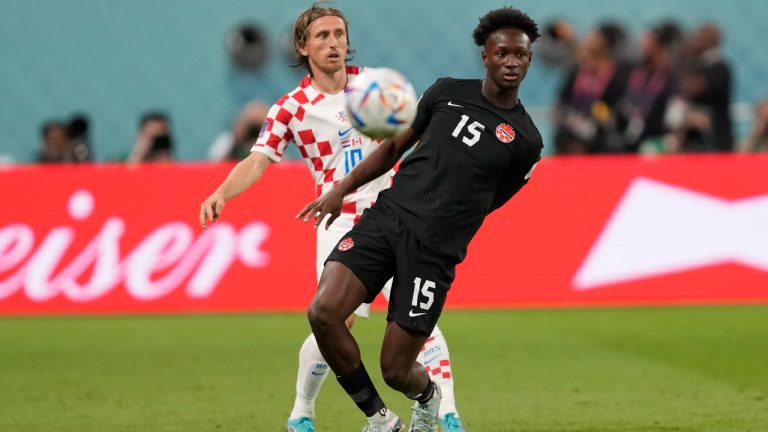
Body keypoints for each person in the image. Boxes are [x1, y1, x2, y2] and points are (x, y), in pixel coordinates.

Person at [197, 3, 465, 432]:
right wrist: (221, 192)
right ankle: (302, 412)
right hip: (339, 222)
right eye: (322, 36)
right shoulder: (292, 107)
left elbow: (418, 134)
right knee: (333, 320)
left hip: (397, 215)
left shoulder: (376, 84)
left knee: (417, 316)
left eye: (339, 34)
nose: (334, 43)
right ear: (303, 46)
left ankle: (448, 413)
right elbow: (258, 160)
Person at [297, 6, 542, 432]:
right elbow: (393, 148)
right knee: (323, 313)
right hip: (386, 219)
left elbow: (492, 201)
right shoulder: (446, 92)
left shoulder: (526, 141)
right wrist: (341, 189)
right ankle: (379, 419)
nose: (510, 62)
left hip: (432, 251)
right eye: (502, 53)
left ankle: (428, 397)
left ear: (529, 59)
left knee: (395, 369)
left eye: (519, 55)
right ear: (485, 56)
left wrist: (446, 225)